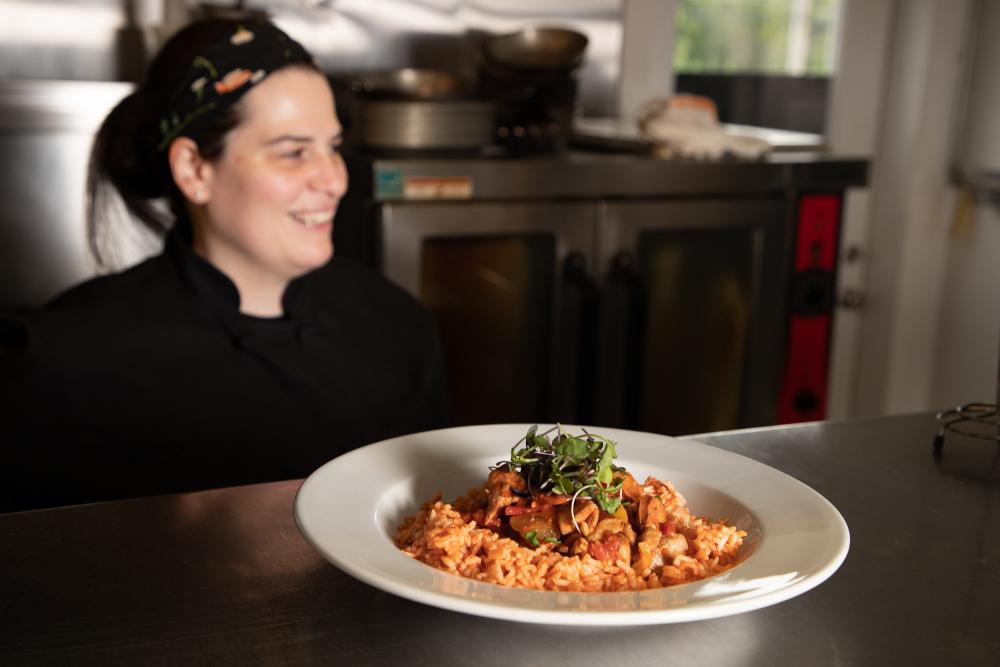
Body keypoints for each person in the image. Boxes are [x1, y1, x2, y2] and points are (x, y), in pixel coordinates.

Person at [0, 17, 449, 512]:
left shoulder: (396, 328)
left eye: (333, 147)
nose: (334, 180)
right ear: (194, 170)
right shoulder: (64, 363)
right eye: (294, 152)